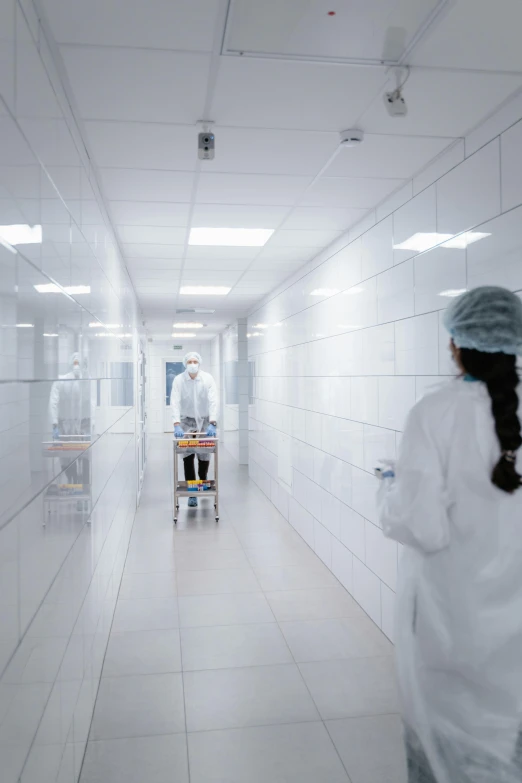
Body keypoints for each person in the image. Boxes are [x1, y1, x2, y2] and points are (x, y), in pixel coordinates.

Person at [377, 286, 522, 783]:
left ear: (459, 344)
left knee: (451, 743)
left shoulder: (434, 411)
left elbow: (423, 526)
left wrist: (389, 487)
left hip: (452, 612)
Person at [171, 351, 218, 507]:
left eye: (194, 361)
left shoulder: (207, 379)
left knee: (204, 455)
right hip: (186, 422)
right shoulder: (179, 380)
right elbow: (175, 402)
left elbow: (213, 400)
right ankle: (192, 492)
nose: (192, 364)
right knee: (187, 456)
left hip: (205, 422)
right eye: (189, 361)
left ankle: (202, 482)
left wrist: (213, 422)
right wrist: (176, 424)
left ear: (199, 363)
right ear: (185, 363)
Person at [49, 352, 95, 486]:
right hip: (67, 425)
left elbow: (91, 401)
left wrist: (91, 422)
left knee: (80, 455)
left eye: (78, 362)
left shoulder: (85, 381)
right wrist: (55, 423)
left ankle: (81, 485)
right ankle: (74, 481)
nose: (76, 365)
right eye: (75, 362)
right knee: (67, 456)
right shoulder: (61, 380)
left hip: (81, 424)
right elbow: (53, 402)